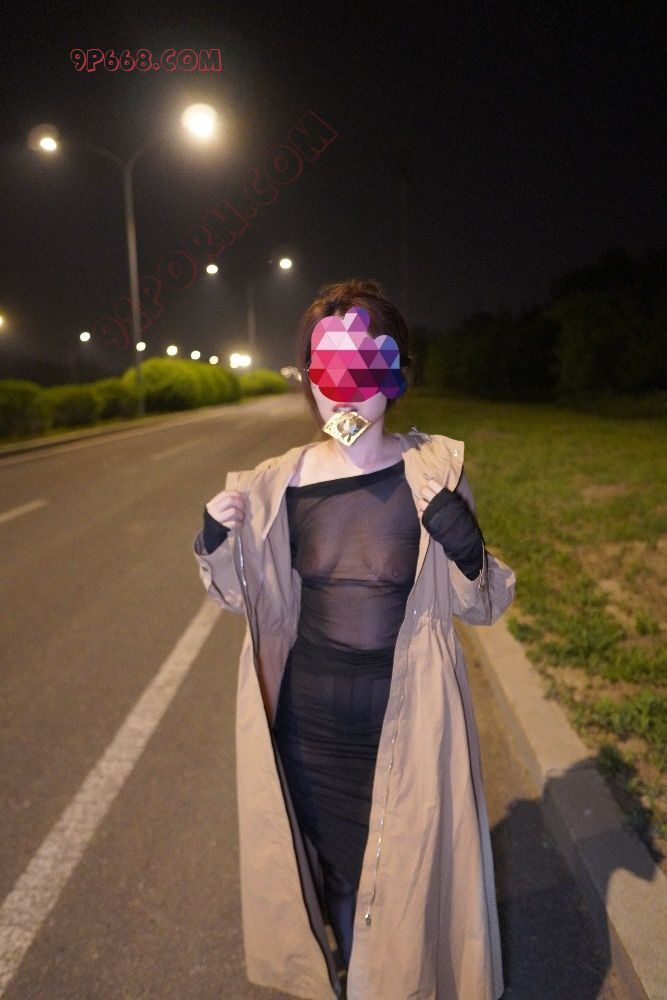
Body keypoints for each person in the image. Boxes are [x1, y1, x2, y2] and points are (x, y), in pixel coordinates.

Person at [194, 278, 516, 1000]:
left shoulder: (434, 473)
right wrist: (213, 542)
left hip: (406, 717)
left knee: (403, 880)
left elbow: (483, 604)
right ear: (310, 378)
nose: (344, 389)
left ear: (393, 374)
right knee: (339, 874)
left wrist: (468, 549)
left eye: (364, 366)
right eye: (327, 369)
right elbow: (241, 598)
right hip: (309, 725)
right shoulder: (278, 482)